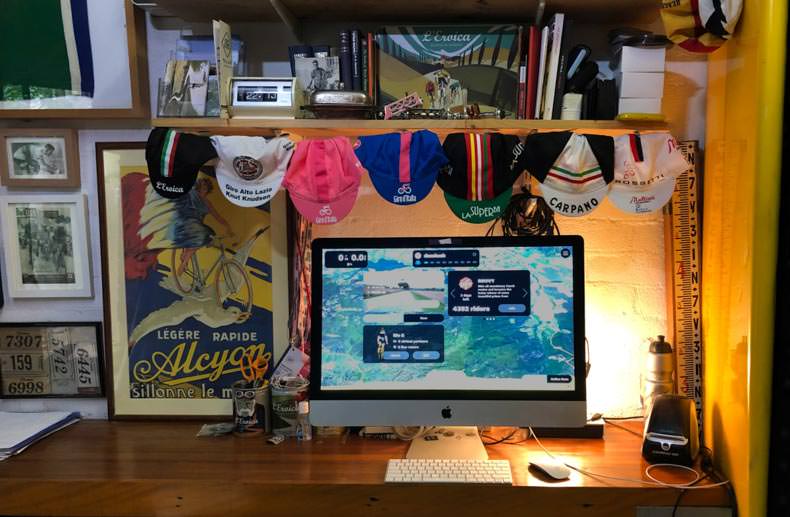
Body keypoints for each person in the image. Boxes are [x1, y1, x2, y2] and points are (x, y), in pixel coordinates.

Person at [173, 177, 235, 275]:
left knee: (209, 236)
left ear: (208, 189)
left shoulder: (207, 203)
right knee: (204, 233)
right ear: (198, 187)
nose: (204, 188)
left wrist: (228, 227)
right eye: (202, 186)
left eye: (206, 187)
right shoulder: (191, 194)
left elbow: (217, 217)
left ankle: (186, 254)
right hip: (186, 223)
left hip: (197, 226)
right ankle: (184, 263)